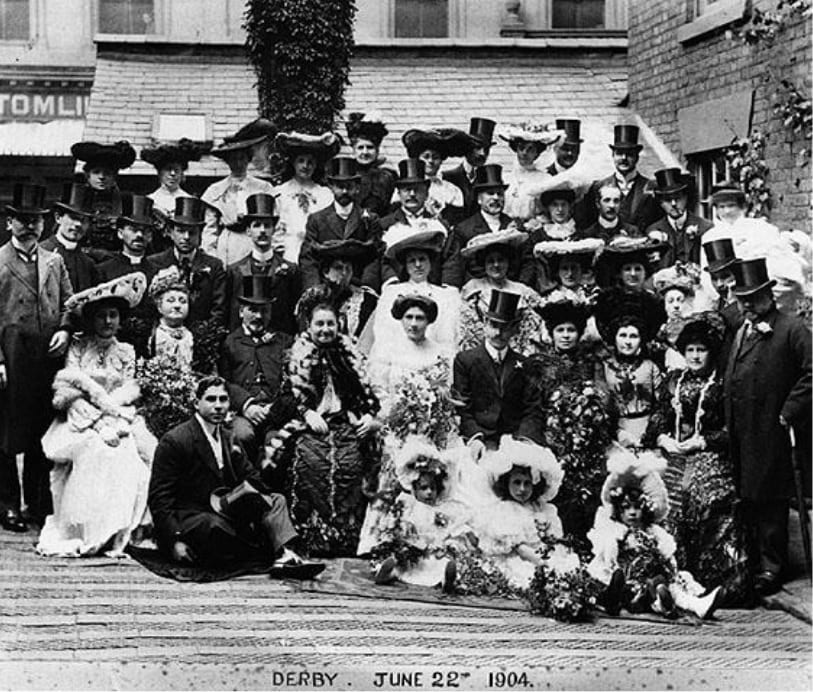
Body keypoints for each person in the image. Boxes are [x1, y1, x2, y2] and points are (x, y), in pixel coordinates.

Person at [148, 375, 322, 575]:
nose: (218, 406)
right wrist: (174, 541)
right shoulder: (176, 440)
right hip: (193, 515)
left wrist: (271, 464)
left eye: (223, 399)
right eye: (211, 399)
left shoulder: (229, 438)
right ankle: (268, 552)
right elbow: (159, 498)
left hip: (226, 508)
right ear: (197, 403)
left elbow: (251, 477)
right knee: (214, 526)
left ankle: (285, 555)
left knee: (277, 500)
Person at [36, 272, 155, 557]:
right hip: (80, 419)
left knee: (134, 457)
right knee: (96, 453)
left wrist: (113, 418)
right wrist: (98, 422)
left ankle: (121, 529)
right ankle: (87, 529)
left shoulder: (126, 351)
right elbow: (69, 388)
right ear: (92, 319)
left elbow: (129, 388)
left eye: (113, 315)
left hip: (118, 417)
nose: (108, 322)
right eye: (102, 316)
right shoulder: (77, 347)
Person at [642, 312, 753, 604]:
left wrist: (701, 441)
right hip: (674, 453)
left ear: (711, 353)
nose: (694, 355)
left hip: (711, 452)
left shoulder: (722, 385)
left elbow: (733, 429)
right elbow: (659, 418)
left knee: (706, 494)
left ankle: (710, 581)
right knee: (659, 495)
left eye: (700, 350)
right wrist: (664, 438)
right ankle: (663, 579)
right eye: (690, 350)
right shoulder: (673, 381)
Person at [723, 257, 811, 596]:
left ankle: (773, 568)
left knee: (770, 498)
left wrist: (790, 410)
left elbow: (812, 372)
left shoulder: (791, 329)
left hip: (772, 428)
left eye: (751, 298)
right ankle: (753, 563)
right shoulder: (742, 329)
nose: (745, 305)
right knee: (749, 498)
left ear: (767, 295)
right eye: (741, 298)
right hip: (742, 430)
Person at [278, 290, 382, 556]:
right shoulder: (296, 356)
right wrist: (305, 413)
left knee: (351, 464)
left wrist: (369, 416)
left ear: (339, 325)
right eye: (319, 324)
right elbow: (284, 400)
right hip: (310, 427)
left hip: (345, 423)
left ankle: (344, 536)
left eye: (330, 324)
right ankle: (314, 535)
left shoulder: (349, 354)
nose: (325, 330)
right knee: (309, 462)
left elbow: (367, 394)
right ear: (309, 326)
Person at [0, 183, 73, 532]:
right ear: (9, 224)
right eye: (23, 220)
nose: (30, 226)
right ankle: (8, 504)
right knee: (7, 432)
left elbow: (70, 304)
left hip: (46, 356)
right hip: (11, 355)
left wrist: (65, 329)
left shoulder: (53, 261)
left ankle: (37, 504)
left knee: (39, 431)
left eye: (36, 220)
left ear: (44, 224)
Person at [586, 447, 724, 619]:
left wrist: (669, 567)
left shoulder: (653, 532)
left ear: (646, 509)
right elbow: (606, 557)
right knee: (633, 589)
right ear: (618, 511)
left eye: (637, 508)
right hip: (630, 581)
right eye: (626, 508)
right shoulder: (616, 531)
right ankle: (633, 600)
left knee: (670, 586)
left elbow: (667, 555)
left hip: (654, 577)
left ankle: (695, 605)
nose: (632, 513)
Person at [525, 299, 611, 544]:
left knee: (589, 497)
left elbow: (603, 400)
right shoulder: (539, 364)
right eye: (560, 330)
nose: (565, 336)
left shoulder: (591, 363)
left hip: (587, 443)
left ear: (579, 333)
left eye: (570, 330)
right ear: (551, 333)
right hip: (552, 443)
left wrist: (588, 410)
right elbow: (533, 406)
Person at [370, 435, 470, 591]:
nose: (429, 492)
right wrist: (403, 531)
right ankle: (386, 573)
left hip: (431, 552)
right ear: (414, 489)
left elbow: (451, 527)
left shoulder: (442, 508)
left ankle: (446, 579)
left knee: (439, 562)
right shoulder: (408, 504)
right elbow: (396, 523)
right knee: (400, 560)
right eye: (424, 488)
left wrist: (447, 540)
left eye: (433, 488)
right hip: (412, 551)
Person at [453, 290, 544, 457]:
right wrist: (475, 437)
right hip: (479, 439)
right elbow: (462, 406)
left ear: (515, 329)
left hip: (515, 439)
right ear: (485, 324)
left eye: (505, 327)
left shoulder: (525, 364)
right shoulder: (465, 360)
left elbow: (533, 408)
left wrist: (524, 439)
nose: (498, 333)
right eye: (494, 325)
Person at [219, 275, 295, 467]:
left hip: (275, 414)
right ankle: (243, 487)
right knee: (242, 436)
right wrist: (247, 405)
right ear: (241, 311)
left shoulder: (284, 342)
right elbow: (222, 381)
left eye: (264, 311)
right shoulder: (229, 343)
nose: (259, 317)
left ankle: (270, 491)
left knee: (278, 443)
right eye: (252, 310)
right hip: (242, 413)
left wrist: (274, 408)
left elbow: (293, 381)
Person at [471, 435, 564, 590]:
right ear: (506, 483)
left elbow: (552, 539)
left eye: (527, 484)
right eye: (517, 482)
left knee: (566, 568)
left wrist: (553, 555)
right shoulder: (504, 509)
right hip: (518, 560)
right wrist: (542, 563)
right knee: (526, 577)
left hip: (542, 557)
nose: (522, 489)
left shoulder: (541, 508)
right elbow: (520, 549)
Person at [372, 220, 462, 353]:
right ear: (405, 266)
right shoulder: (392, 294)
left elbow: (450, 338)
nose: (418, 265)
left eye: (422, 259)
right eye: (412, 261)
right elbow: (384, 335)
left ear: (431, 263)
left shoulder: (447, 296)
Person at [594, 287, 665, 448]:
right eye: (623, 335)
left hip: (648, 430)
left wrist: (651, 433)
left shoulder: (650, 367)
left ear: (641, 340)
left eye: (633, 336)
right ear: (615, 338)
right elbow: (600, 406)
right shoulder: (603, 367)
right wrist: (616, 433)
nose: (627, 342)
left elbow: (662, 404)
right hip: (616, 433)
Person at [298, 156, 383, 291]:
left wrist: (366, 287)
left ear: (357, 187)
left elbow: (375, 256)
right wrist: (314, 288)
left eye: (349, 187)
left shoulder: (369, 219)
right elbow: (308, 258)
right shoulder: (317, 219)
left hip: (358, 286)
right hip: (325, 286)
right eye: (340, 186)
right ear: (331, 187)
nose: (344, 191)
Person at [201, 119, 277, 267]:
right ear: (227, 162)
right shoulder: (215, 190)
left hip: (255, 243)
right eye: (233, 159)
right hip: (228, 245)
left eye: (241, 158)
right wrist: (211, 258)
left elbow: (275, 223)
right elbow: (210, 229)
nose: (238, 163)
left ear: (248, 159)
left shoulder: (263, 187)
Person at [457, 229, 544, 356]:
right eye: (491, 261)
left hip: (517, 353)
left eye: (501, 260)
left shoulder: (523, 291)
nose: (496, 265)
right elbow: (468, 327)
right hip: (483, 352)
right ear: (484, 264)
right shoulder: (473, 289)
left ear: (508, 262)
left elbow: (532, 325)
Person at [380, 158, 463, 288]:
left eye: (417, 189)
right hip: (398, 288)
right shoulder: (385, 225)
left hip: (434, 289)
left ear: (426, 192)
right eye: (407, 189)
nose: (412, 194)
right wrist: (391, 282)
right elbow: (381, 260)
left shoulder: (441, 225)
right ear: (399, 193)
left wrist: (447, 288)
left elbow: (451, 261)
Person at [225, 193, 300, 336]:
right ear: (248, 231)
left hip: (279, 345)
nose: (262, 231)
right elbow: (231, 316)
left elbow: (295, 313)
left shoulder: (291, 270)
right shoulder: (234, 271)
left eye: (267, 225)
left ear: (274, 229)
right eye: (257, 225)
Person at [148, 196, 227, 328]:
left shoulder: (214, 266)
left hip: (202, 335)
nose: (186, 237)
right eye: (180, 231)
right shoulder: (154, 263)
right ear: (170, 232)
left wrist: (203, 336)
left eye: (192, 232)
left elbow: (219, 309)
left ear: (200, 234)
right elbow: (150, 307)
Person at [98, 194, 160, 356]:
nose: (139, 235)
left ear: (151, 236)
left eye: (145, 231)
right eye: (133, 230)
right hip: (112, 345)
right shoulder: (104, 270)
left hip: (150, 347)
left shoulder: (158, 272)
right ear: (120, 233)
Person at [368, 294, 450, 407]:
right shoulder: (386, 350)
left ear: (428, 321)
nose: (413, 324)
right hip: (393, 414)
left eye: (420, 318)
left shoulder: (439, 352)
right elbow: (378, 389)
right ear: (401, 319)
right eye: (409, 317)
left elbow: (445, 389)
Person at [454, 164, 532, 282]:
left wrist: (520, 287)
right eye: (490, 193)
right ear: (479, 199)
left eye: (500, 194)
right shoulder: (464, 229)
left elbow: (528, 262)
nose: (496, 198)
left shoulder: (516, 227)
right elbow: (455, 266)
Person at [578, 125, 661, 232]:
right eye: (619, 153)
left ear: (637, 157)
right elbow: (589, 222)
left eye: (629, 154)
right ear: (613, 156)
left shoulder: (651, 187)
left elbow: (659, 221)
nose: (624, 158)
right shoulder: (598, 187)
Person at [271, 131, 338, 263]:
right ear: (293, 163)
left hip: (316, 255)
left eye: (310, 162)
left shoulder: (325, 194)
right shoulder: (279, 193)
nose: (305, 166)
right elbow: (275, 228)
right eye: (301, 161)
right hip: (288, 254)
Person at [296, 239, 379, 343]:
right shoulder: (311, 298)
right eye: (338, 268)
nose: (344, 273)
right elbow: (303, 332)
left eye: (348, 268)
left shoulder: (367, 299)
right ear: (326, 272)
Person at [70, 140, 136, 262]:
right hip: (79, 259)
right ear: (87, 175)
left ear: (114, 176)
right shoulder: (76, 199)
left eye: (107, 173)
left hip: (115, 262)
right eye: (96, 172)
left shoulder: (126, 202)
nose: (101, 177)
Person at [644, 168, 712, 268]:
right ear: (661, 203)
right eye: (667, 200)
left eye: (678, 198)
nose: (674, 204)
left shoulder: (705, 227)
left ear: (686, 197)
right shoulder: (653, 230)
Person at [400, 128, 471, 223]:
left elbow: (457, 222)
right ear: (417, 158)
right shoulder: (405, 188)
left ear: (441, 161)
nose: (430, 161)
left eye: (435, 157)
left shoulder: (452, 190)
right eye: (426, 157)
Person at [701, 182, 781, 265]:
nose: (727, 211)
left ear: (743, 207)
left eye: (731, 206)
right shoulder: (710, 236)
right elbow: (706, 270)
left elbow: (775, 259)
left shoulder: (761, 228)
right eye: (721, 207)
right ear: (716, 210)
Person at [40, 183, 99, 292]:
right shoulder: (41, 252)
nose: (78, 224)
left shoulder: (88, 263)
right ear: (58, 218)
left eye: (84, 220)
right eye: (73, 218)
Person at [498, 121, 562, 221]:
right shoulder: (505, 178)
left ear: (537, 154)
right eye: (521, 148)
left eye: (530, 149)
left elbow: (547, 212)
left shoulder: (545, 180)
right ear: (516, 150)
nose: (524, 153)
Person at [344, 112, 397, 217]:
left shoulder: (388, 176)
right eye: (360, 148)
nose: (365, 152)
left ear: (377, 150)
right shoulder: (346, 175)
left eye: (370, 147)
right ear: (353, 151)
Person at [443, 117, 496, 220]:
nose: (482, 153)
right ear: (467, 147)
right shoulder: (448, 177)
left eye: (487, 149)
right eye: (478, 147)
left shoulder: (489, 180)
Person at [651, 263, 701, 372]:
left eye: (680, 300)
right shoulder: (663, 328)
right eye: (670, 301)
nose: (676, 306)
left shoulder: (693, 325)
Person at [141, 138, 209, 216]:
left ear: (182, 173)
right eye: (168, 169)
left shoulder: (190, 201)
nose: (173, 173)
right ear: (159, 172)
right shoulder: (149, 200)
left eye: (176, 170)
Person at [147, 266, 194, 371]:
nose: (177, 305)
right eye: (171, 300)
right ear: (159, 306)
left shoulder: (191, 336)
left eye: (182, 301)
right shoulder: (153, 335)